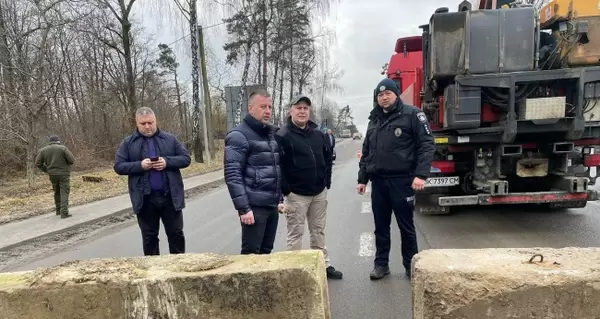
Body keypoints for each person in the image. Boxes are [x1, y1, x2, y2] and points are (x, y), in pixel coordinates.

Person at [357, 78, 435, 280]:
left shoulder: (413, 115)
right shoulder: (374, 119)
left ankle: (411, 266)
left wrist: (421, 175)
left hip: (403, 181)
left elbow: (426, 145)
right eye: (380, 95)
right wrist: (362, 178)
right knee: (381, 228)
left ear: (396, 94)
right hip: (379, 182)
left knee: (406, 227)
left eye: (387, 94)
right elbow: (367, 151)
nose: (384, 98)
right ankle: (381, 265)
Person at [276, 94, 343, 280]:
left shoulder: (318, 134)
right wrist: (286, 190)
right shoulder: (282, 135)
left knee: (318, 231)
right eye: (298, 108)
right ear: (291, 111)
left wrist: (326, 182)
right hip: (296, 194)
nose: (302, 111)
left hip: (319, 193)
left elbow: (327, 158)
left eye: (305, 108)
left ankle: (323, 264)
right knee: (295, 233)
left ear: (309, 111)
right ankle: (294, 270)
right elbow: (278, 166)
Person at [114, 107, 191, 256]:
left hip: (170, 197)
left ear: (156, 121)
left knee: (176, 235)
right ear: (137, 123)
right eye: (143, 123)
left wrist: (167, 162)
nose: (147, 126)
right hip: (145, 199)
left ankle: (179, 271)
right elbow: (118, 166)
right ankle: (153, 272)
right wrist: (140, 165)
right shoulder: (128, 143)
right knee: (149, 238)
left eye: (150, 122)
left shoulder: (170, 139)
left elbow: (186, 158)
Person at [224, 89, 284, 255]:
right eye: (263, 106)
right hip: (254, 207)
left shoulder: (270, 134)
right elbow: (233, 175)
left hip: (271, 205)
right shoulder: (238, 135)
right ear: (250, 108)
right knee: (251, 255)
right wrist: (244, 209)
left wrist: (279, 198)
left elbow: (274, 169)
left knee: (266, 252)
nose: (267, 111)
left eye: (270, 107)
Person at [35, 135, 75, 219]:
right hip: (64, 174)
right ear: (58, 141)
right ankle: (64, 213)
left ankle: (58, 210)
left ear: (50, 142)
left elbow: (38, 163)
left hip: (52, 174)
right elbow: (71, 161)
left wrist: (47, 170)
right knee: (64, 192)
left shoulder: (43, 150)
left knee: (56, 191)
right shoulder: (63, 148)